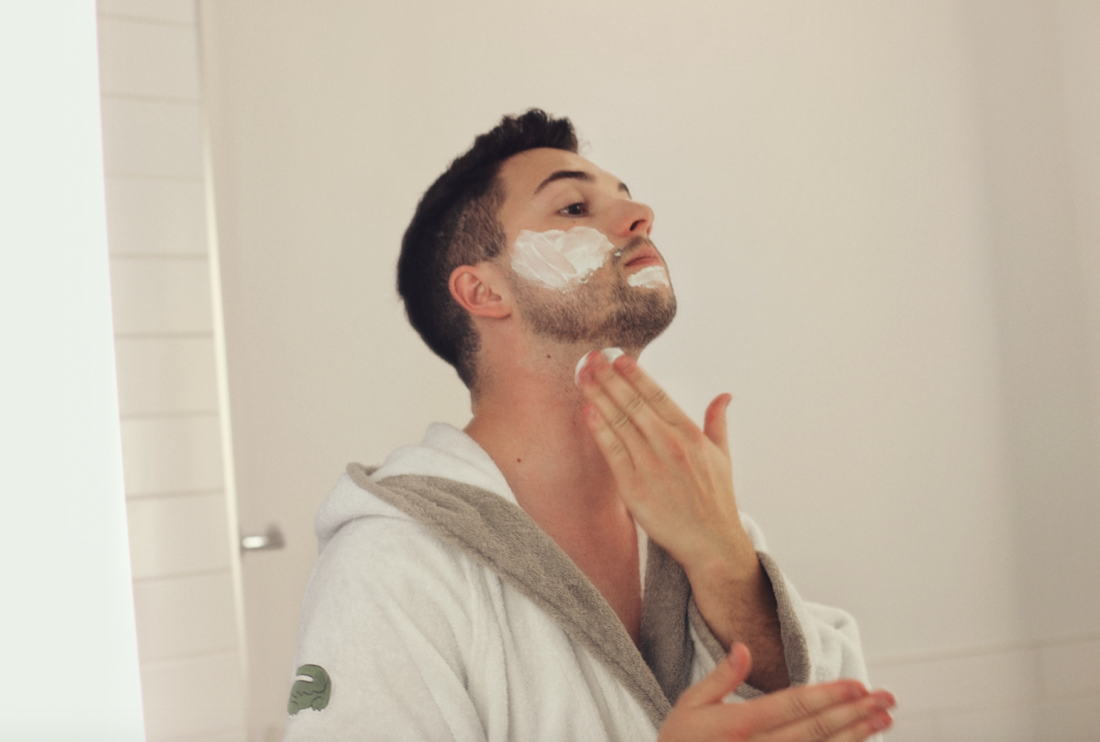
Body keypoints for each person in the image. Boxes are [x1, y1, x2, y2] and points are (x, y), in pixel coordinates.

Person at [284, 110, 895, 741]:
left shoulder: (698, 517)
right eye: (574, 208)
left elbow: (843, 716)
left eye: (627, 197)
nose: (641, 215)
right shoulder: (389, 566)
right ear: (484, 292)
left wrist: (729, 565)